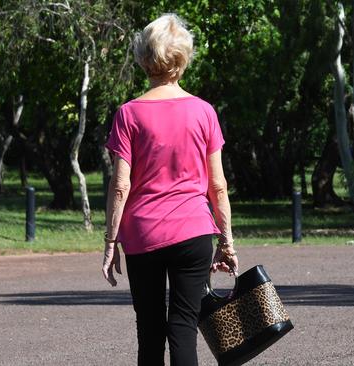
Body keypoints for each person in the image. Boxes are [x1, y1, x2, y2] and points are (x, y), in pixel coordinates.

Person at [102, 13, 238, 366]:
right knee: (183, 331)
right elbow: (218, 187)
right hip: (193, 233)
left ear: (145, 58)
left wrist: (110, 242)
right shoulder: (204, 112)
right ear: (182, 58)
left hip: (143, 235)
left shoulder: (129, 114)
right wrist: (227, 242)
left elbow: (120, 187)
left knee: (149, 334)